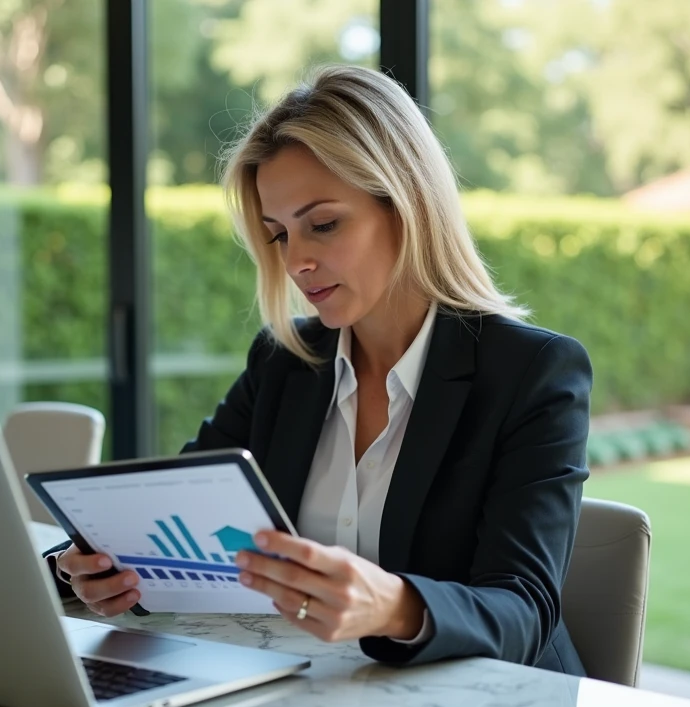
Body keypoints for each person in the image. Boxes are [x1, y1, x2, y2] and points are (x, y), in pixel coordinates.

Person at [45, 64, 591, 675]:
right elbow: (165, 513)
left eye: (323, 225)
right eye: (279, 235)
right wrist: (85, 568)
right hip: (320, 696)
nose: (297, 262)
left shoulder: (533, 373)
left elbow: (524, 609)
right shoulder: (285, 363)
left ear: (407, 205)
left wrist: (394, 606)